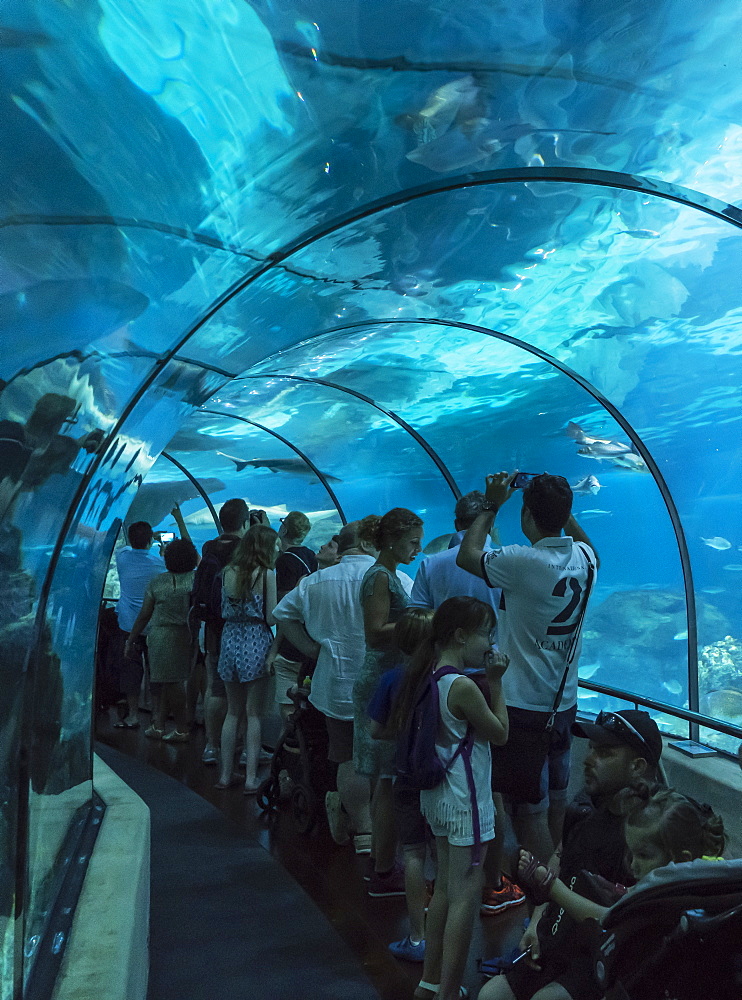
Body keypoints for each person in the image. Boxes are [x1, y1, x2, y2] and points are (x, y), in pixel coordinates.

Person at [457, 472, 598, 862]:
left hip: (521, 707)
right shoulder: (586, 560)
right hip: (564, 703)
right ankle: (559, 878)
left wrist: (491, 504)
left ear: (527, 516)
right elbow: (587, 546)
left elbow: (467, 555)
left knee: (525, 811)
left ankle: (550, 897)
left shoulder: (522, 560)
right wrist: (559, 505)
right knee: (556, 798)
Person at [479, 708, 663, 1000]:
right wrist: (537, 925)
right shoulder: (582, 811)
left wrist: (547, 884)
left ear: (638, 767)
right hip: (560, 940)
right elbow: (560, 863)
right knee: (491, 995)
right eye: (591, 749)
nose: (589, 760)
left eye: (605, 753)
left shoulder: (651, 834)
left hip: (607, 957)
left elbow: (629, 921)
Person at [494, 784, 726, 1000]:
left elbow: (608, 917)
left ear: (681, 859)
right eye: (632, 855)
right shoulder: (698, 879)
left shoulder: (668, 900)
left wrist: (551, 885)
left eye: (644, 856)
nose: (634, 865)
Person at [387, 597, 509, 1000]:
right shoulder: (462, 686)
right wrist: (498, 680)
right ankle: (450, 991)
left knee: (442, 889)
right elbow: (499, 732)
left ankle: (430, 982)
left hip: (436, 798)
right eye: (485, 633)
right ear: (460, 635)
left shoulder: (428, 674)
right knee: (466, 896)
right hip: (465, 802)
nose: (489, 642)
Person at [411, 490, 523, 916]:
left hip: (440, 673)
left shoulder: (432, 563)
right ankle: (490, 883)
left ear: (455, 520)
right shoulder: (507, 560)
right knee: (484, 780)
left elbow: (418, 616)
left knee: (445, 760)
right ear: (488, 524)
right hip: (486, 677)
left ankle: (443, 876)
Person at [272, 516, 379, 853]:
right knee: (381, 756)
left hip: (334, 683)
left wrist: (310, 648)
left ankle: (363, 830)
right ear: (367, 544)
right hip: (382, 685)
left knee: (345, 754)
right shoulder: (394, 578)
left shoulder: (315, 581)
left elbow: (281, 614)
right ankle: (376, 826)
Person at [354, 507, 423, 897]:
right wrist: (423, 623)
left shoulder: (389, 575)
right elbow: (376, 632)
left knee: (385, 780)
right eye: (412, 542)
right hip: (380, 683)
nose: (417, 548)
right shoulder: (379, 576)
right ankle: (383, 870)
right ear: (393, 541)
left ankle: (384, 864)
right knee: (385, 781)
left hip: (390, 683)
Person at [367, 608, 435, 960]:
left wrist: (403, 730)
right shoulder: (445, 680)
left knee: (412, 854)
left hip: (405, 773)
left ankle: (417, 937)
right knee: (445, 856)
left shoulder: (392, 678)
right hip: (440, 778)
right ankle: (443, 934)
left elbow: (376, 730)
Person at [215, 524, 279, 793]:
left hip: (229, 638)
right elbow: (272, 616)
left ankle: (225, 776)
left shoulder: (227, 572)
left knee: (232, 711)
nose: (277, 548)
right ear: (265, 547)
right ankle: (251, 777)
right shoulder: (266, 574)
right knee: (253, 714)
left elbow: (222, 609)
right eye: (274, 544)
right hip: (255, 639)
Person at [191, 498, 250, 765]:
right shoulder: (247, 550)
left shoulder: (209, 549)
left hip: (214, 632)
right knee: (248, 693)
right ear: (245, 521)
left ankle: (212, 746)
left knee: (216, 691)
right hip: (245, 633)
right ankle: (247, 747)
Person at [126, 536, 199, 742]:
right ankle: (159, 725)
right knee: (170, 682)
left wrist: (131, 639)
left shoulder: (157, 582)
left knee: (171, 683)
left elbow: (144, 615)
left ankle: (181, 729)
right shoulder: (196, 580)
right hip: (188, 635)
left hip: (162, 637)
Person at [113, 520, 165, 728]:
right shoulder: (159, 564)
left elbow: (128, 547)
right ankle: (156, 717)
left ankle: (133, 716)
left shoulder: (122, 558)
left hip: (127, 624)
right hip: (153, 627)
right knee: (156, 673)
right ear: (150, 540)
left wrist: (148, 540)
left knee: (131, 672)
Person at [267, 511, 318, 721]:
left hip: (291, 644)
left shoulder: (284, 562)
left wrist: (274, 650)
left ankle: (287, 748)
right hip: (309, 635)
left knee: (288, 706)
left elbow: (283, 610)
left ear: (284, 529)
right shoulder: (310, 555)